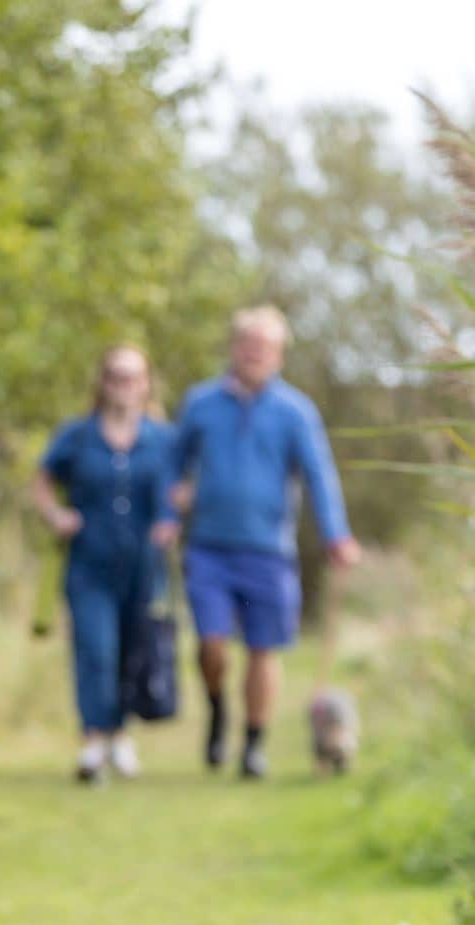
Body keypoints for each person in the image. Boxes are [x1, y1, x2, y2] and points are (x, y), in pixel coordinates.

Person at [152, 306, 360, 779]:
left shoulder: (296, 412)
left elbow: (319, 477)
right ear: (233, 348)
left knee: (264, 650)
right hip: (207, 547)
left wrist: (336, 534)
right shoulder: (201, 403)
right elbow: (172, 464)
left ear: (279, 355)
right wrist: (168, 513)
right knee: (212, 645)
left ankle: (252, 745)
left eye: (263, 347)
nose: (253, 354)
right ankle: (218, 709)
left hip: (269, 550)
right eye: (246, 344)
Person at [30, 343, 176, 782]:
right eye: (115, 375)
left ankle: (120, 735)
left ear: (145, 384)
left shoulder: (164, 439)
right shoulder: (76, 436)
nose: (123, 385)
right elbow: (41, 481)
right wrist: (56, 515)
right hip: (88, 563)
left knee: (133, 652)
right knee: (96, 649)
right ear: (102, 381)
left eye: (132, 376)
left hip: (144, 566)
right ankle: (93, 739)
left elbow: (180, 491)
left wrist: (171, 519)